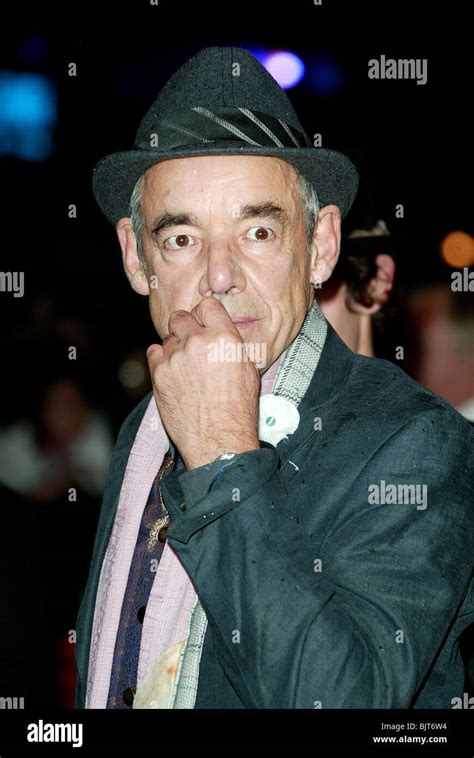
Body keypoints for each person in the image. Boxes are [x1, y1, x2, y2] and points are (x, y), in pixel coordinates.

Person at [75, 46, 474, 709]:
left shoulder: (418, 444)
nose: (221, 274)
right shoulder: (142, 428)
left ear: (320, 246)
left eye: (258, 232)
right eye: (181, 239)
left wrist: (223, 458)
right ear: (135, 257)